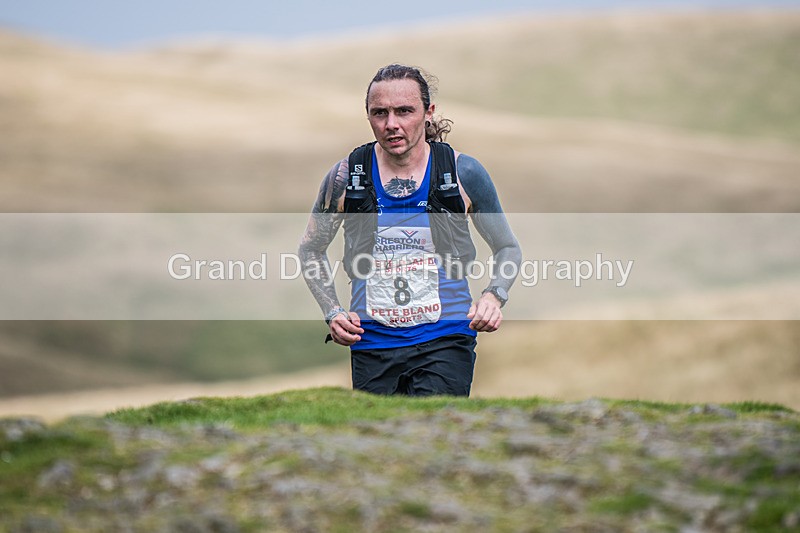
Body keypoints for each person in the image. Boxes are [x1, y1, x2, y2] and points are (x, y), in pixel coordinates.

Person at [298, 64, 521, 396]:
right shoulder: (348, 177)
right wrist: (333, 312)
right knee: (380, 443)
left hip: (445, 339)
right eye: (380, 113)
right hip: (371, 342)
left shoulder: (463, 173)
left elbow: (507, 247)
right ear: (368, 116)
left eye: (404, 111)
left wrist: (494, 295)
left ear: (428, 113)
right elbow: (310, 250)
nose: (391, 124)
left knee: (435, 433)